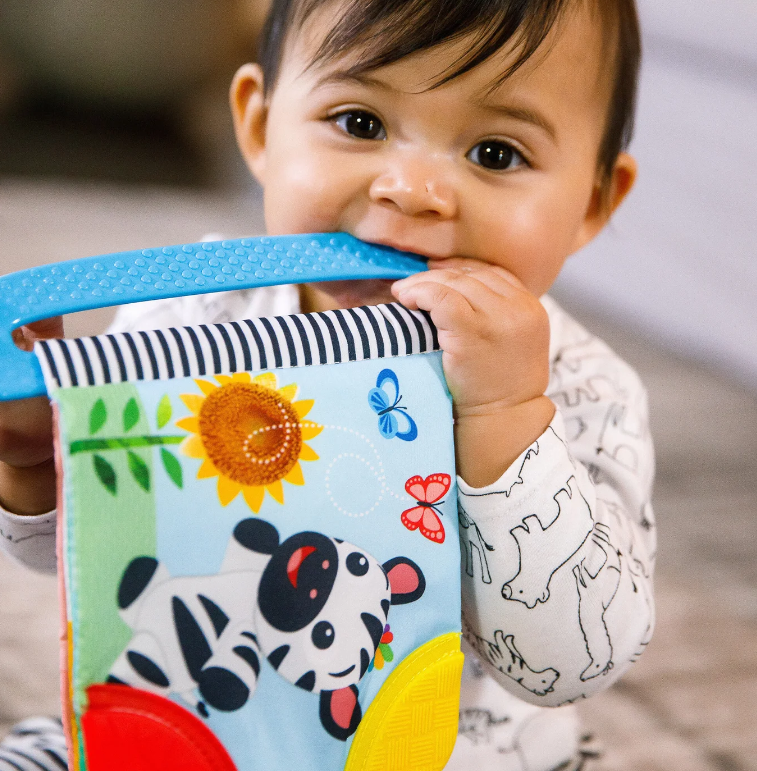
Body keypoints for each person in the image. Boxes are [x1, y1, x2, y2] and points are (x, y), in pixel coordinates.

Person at [0, 0, 656, 769]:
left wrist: (504, 411)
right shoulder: (194, 313)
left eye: (495, 152)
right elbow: (101, 555)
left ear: (590, 202)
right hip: (215, 722)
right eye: (360, 123)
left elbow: (574, 660)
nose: (412, 190)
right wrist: (33, 461)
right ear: (258, 127)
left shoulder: (581, 387)